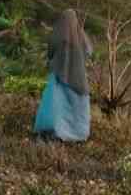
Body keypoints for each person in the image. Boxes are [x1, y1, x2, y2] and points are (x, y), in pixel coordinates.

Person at [34, 9, 93, 142]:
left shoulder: (58, 36)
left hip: (59, 79)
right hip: (79, 80)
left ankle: (59, 132)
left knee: (59, 106)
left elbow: (50, 52)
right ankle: (79, 135)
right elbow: (89, 51)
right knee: (77, 107)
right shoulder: (81, 37)